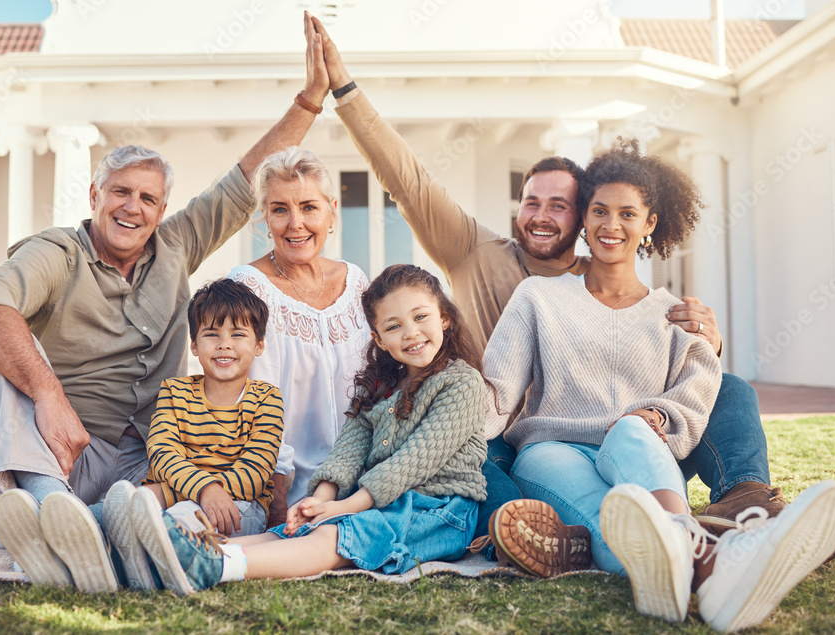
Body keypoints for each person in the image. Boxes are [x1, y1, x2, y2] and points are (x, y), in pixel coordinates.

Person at [304, 15, 799, 547]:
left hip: (616, 430)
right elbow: (407, 179)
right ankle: (528, 531)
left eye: (559, 205)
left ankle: (745, 501)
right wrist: (346, 92)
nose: (541, 215)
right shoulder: (478, 252)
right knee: (474, 457)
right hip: (500, 425)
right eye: (531, 201)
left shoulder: (603, 281)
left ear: (582, 217)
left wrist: (708, 342)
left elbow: (664, 354)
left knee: (730, 390)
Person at [0, 12, 332, 592]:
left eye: (148, 198)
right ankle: (53, 512)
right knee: (2, 341)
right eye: (121, 193)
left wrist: (309, 101)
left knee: (161, 501)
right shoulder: (58, 252)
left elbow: (243, 181)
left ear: (162, 209)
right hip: (62, 453)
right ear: (94, 196)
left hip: (147, 466)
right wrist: (50, 394)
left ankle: (90, 531)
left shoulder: (176, 244)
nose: (134, 209)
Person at [482, 139, 835, 631]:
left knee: (633, 433)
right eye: (599, 212)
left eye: (627, 214)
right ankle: (718, 564)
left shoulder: (676, 313)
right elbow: (498, 390)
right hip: (554, 450)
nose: (612, 226)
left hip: (639, 446)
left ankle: (693, 558)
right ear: (584, 221)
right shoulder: (538, 297)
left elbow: (704, 386)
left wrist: (656, 415)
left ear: (649, 224)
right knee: (612, 517)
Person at [123, 264, 489, 593]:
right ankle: (177, 554)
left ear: (444, 317)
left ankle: (219, 565)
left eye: (421, 316)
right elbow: (349, 450)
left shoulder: (461, 383)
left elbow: (412, 462)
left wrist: (343, 507)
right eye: (393, 326)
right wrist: (322, 500)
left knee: (338, 533)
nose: (410, 333)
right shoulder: (381, 384)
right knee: (293, 530)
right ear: (378, 338)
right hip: (382, 502)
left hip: (440, 512)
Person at [102, 278, 283, 590]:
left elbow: (256, 471)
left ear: (259, 345)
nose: (224, 344)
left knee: (172, 512)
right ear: (195, 345)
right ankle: (59, 538)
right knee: (120, 503)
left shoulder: (267, 399)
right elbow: (161, 455)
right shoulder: (175, 392)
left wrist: (196, 493)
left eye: (238, 334)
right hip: (182, 494)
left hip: (237, 508)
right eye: (212, 334)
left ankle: (132, 563)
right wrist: (201, 488)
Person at [228, 146, 370, 517]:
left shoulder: (356, 283)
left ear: (331, 211)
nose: (296, 224)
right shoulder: (248, 287)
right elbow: (254, 403)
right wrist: (277, 502)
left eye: (309, 207)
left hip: (364, 479)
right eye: (280, 210)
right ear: (265, 218)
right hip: (287, 490)